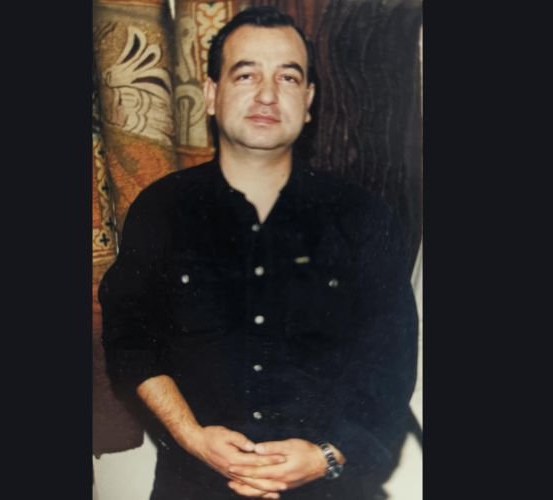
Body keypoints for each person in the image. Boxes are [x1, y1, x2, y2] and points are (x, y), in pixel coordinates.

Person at [99, 6, 418, 499]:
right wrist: (192, 436)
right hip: (194, 485)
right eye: (246, 74)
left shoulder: (365, 219)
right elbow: (129, 341)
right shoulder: (161, 210)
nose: (267, 94)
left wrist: (326, 456)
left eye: (288, 77)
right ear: (211, 94)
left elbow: (390, 366)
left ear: (308, 101)